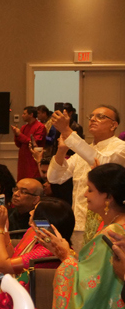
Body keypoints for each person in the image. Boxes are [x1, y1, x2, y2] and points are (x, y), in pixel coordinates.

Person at [42, 163, 125, 309]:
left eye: (89, 189)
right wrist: (68, 254)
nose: (85, 195)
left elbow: (88, 283)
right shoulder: (115, 225)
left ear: (107, 195)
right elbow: (94, 270)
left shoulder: (113, 232)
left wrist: (66, 258)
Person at [47, 105, 125, 249]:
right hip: (78, 221)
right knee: (80, 267)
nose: (93, 119)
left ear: (114, 125)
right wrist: (61, 150)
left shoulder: (120, 148)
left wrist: (66, 131)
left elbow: (103, 164)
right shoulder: (83, 151)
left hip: (107, 222)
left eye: (100, 117)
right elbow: (54, 178)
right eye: (91, 116)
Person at [0, 197, 73, 292]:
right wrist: (4, 229)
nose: (30, 212)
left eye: (34, 211)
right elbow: (13, 256)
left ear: (43, 222)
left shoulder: (47, 251)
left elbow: (3, 265)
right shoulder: (33, 232)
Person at [12, 106, 46, 180]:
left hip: (33, 158)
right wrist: (16, 134)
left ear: (31, 115)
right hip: (23, 159)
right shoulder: (24, 127)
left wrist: (19, 134)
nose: (22, 115)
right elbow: (19, 144)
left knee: (32, 179)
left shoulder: (40, 127)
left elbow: (34, 143)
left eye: (24, 114)